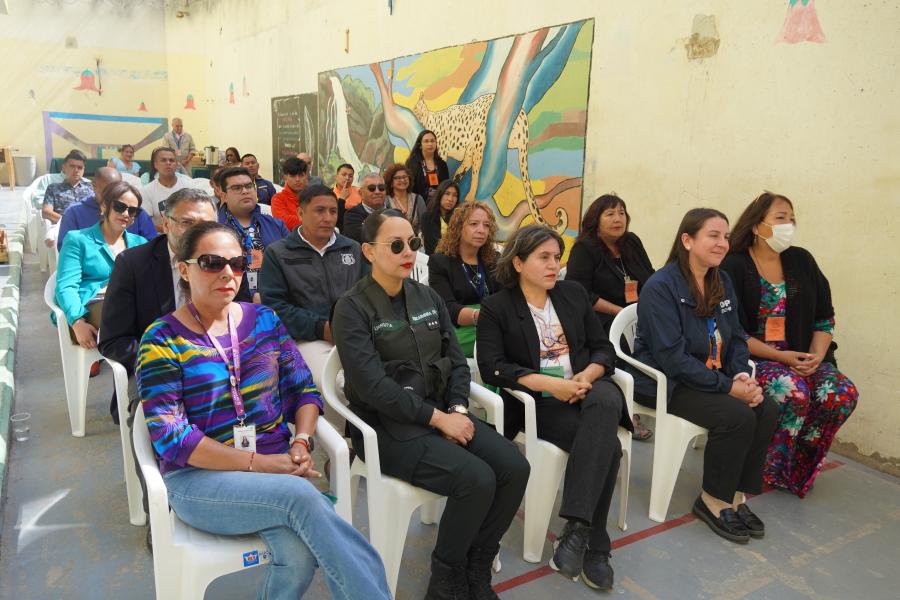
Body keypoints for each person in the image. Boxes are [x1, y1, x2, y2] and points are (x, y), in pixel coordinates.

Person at [138, 221, 391, 600]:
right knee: (303, 498)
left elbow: (304, 389)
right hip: (199, 480)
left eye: (237, 263)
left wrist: (302, 442)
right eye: (211, 262)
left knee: (299, 553)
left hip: (276, 470)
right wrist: (260, 463)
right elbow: (172, 438)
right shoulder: (161, 338)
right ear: (185, 269)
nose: (227, 273)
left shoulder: (264, 321)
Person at [332, 209, 529, 600]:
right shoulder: (352, 308)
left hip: (442, 414)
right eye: (396, 245)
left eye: (413, 243)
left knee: (514, 467)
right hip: (388, 430)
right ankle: (446, 580)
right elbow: (373, 388)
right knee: (476, 479)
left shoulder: (428, 297)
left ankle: (476, 566)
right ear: (369, 253)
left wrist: (457, 409)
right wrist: (438, 418)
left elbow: (457, 362)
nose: (408, 252)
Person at [477, 225, 632, 591]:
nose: (553, 266)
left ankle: (576, 530)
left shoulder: (573, 294)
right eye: (543, 258)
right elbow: (492, 366)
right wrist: (554, 385)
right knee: (607, 447)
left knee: (607, 396)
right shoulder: (497, 306)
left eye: (556, 257)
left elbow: (603, 349)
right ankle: (595, 544)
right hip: (540, 406)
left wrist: (584, 377)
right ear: (517, 262)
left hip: (587, 390)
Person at [630, 208, 777, 544]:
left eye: (725, 237)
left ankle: (736, 496)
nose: (722, 243)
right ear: (687, 240)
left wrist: (741, 373)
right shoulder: (660, 286)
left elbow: (737, 336)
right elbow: (673, 359)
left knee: (766, 408)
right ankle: (712, 499)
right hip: (667, 382)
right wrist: (729, 387)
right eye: (713, 235)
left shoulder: (720, 280)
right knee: (737, 416)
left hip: (711, 377)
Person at [722, 192, 857, 498]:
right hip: (756, 357)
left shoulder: (801, 261)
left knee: (841, 393)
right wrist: (781, 356)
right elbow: (732, 330)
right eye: (781, 218)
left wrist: (816, 357)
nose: (789, 224)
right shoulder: (734, 265)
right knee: (793, 390)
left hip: (801, 356)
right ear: (757, 226)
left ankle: (798, 465)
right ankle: (768, 467)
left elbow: (824, 318)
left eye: (792, 218)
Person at [566, 194, 655, 441]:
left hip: (636, 315)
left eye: (622, 213)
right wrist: (621, 313)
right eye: (610, 214)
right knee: (622, 341)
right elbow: (579, 291)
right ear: (596, 220)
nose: (618, 219)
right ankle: (628, 410)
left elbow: (650, 276)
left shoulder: (632, 243)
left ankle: (648, 392)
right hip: (599, 318)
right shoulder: (585, 248)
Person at [259, 184, 366, 389]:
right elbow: (275, 308)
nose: (328, 218)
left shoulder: (351, 248)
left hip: (355, 333)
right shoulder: (279, 253)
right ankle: (334, 423)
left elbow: (366, 291)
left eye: (333, 211)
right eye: (319, 210)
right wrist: (321, 328)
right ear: (300, 213)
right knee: (338, 384)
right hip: (307, 338)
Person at [56, 181, 147, 350]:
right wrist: (77, 322)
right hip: (90, 308)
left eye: (133, 210)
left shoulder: (140, 243)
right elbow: (66, 286)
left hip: (128, 307)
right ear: (105, 206)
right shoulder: (78, 240)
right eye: (120, 207)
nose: (126, 213)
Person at [428, 201, 500, 358]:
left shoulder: (493, 260)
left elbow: (505, 296)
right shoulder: (440, 262)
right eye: (474, 224)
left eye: (486, 225)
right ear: (459, 227)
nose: (481, 230)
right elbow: (447, 308)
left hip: (494, 327)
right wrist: (482, 315)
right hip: (460, 331)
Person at [217, 166, 289, 299]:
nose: (245, 191)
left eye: (249, 186)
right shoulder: (215, 231)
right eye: (237, 188)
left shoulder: (276, 225)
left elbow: (291, 264)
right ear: (224, 196)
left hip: (275, 301)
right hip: (233, 304)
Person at [57, 167, 157, 251]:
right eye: (107, 191)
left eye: (116, 190)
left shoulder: (134, 211)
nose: (112, 196)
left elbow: (152, 244)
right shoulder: (74, 213)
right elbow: (66, 249)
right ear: (94, 186)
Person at [42, 149, 93, 247]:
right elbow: (46, 212)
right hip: (61, 225)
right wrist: (68, 222)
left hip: (88, 227)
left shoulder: (91, 188)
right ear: (64, 168)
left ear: (83, 170)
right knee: (52, 238)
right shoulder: (53, 188)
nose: (76, 170)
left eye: (80, 167)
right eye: (72, 166)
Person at [142, 147, 191, 231]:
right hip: (160, 237)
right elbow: (146, 223)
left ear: (176, 164)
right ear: (155, 165)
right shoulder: (146, 191)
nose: (168, 163)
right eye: (163, 160)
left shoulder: (189, 187)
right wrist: (171, 230)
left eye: (171, 160)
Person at [342, 173, 387, 244]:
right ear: (360, 193)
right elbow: (364, 239)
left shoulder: (395, 213)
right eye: (371, 188)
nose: (377, 192)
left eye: (381, 188)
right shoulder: (351, 215)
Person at [405, 129, 449, 201]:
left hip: (438, 206)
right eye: (426, 141)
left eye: (432, 141)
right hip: (417, 205)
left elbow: (446, 187)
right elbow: (408, 188)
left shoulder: (442, 165)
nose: (430, 144)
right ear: (420, 145)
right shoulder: (412, 163)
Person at [385, 163, 427, 236]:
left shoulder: (418, 199)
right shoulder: (386, 201)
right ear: (391, 182)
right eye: (397, 178)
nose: (402, 180)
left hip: (417, 241)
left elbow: (424, 223)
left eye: (405, 177)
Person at [421, 179, 461, 254]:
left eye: (455, 195)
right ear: (440, 195)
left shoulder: (459, 218)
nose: (450, 199)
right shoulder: (427, 217)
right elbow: (432, 247)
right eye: (447, 194)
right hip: (435, 260)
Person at [271, 156, 309, 231]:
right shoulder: (278, 199)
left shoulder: (315, 196)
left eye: (301, 175)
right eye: (293, 176)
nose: (297, 179)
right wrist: (312, 221)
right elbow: (285, 222)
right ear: (285, 177)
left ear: (306, 176)